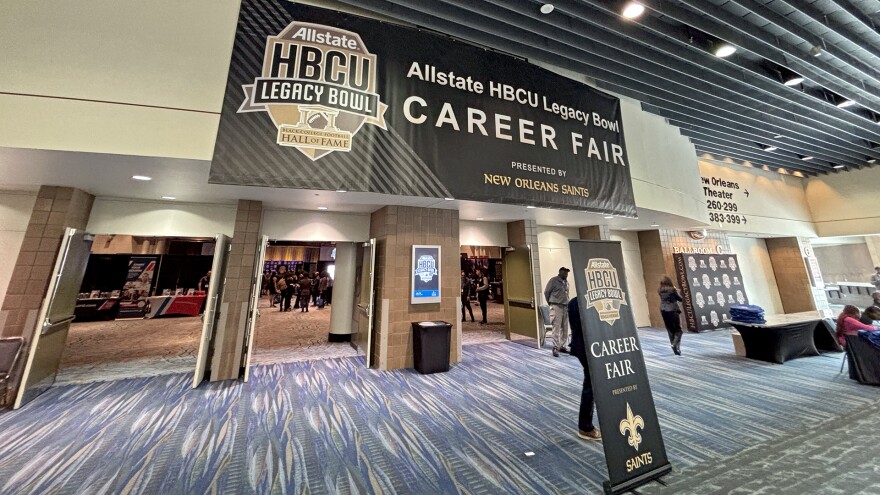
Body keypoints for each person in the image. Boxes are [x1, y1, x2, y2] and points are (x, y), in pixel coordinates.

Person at [568, 297, 601, 441]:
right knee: (591, 383)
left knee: (593, 383)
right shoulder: (584, 303)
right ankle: (585, 426)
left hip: (584, 347)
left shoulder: (573, 302)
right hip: (590, 349)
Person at [544, 267, 571, 357]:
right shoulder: (553, 280)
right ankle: (555, 347)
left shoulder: (566, 282)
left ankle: (562, 346)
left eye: (567, 273)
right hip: (556, 306)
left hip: (565, 306)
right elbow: (546, 292)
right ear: (560, 273)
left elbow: (567, 294)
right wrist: (551, 302)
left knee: (565, 327)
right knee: (556, 327)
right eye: (565, 273)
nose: (566, 275)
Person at [658, 276, 684, 356]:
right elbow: (680, 299)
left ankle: (676, 349)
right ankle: (674, 345)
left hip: (663, 310)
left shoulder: (659, 290)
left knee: (670, 330)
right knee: (678, 330)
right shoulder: (672, 290)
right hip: (672, 311)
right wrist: (677, 291)